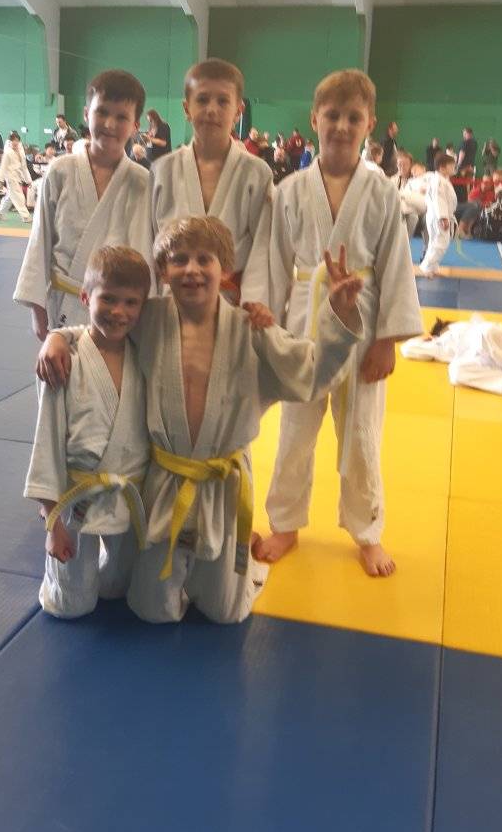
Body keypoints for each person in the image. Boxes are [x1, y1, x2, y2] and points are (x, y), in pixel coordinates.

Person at [38, 217, 364, 624]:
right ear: (163, 272)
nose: (191, 269)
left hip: (221, 486)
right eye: (179, 260)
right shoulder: (149, 318)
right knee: (151, 609)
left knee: (225, 611)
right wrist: (57, 338)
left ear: (225, 269)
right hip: (164, 483)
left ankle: (220, 573)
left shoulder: (250, 329)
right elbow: (100, 330)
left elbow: (312, 372)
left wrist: (339, 316)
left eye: (204, 259)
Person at [254, 69, 422, 577]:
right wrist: (269, 329)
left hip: (363, 327)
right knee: (293, 433)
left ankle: (367, 530)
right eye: (333, 115)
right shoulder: (288, 190)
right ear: (314, 119)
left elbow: (396, 267)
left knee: (363, 435)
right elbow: (273, 263)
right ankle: (285, 524)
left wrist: (388, 341)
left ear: (370, 124)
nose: (342, 126)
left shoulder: (382, 193)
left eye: (354, 117)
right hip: (303, 326)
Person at [26, 246, 152, 618]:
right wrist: (52, 522)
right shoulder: (64, 363)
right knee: (71, 606)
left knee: (117, 590)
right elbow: (46, 443)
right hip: (75, 498)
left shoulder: (145, 355)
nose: (119, 311)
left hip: (128, 495)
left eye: (131, 302)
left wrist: (58, 333)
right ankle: (60, 580)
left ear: (143, 308)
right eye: (107, 299)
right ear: (85, 298)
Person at [13, 69, 152, 340]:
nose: (109, 124)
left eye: (121, 117)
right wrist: (37, 309)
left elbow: (145, 255)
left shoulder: (143, 182)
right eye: (102, 112)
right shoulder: (60, 171)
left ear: (136, 126)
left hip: (119, 315)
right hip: (63, 307)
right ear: (87, 114)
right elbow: (40, 241)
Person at [150, 58, 273, 305]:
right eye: (202, 99)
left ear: (238, 111)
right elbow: (148, 243)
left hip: (233, 303)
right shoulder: (162, 170)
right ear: (187, 108)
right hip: (172, 303)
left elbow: (263, 248)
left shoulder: (257, 173)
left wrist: (253, 303)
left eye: (223, 101)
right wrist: (151, 304)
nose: (212, 110)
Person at [401, 316, 502, 398]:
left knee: (485, 335)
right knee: (457, 370)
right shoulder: (444, 340)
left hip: (490, 340)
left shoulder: (449, 335)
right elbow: (407, 349)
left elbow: (407, 348)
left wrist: (425, 339)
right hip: (493, 351)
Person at [419, 152, 457, 277]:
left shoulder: (440, 180)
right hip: (438, 217)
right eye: (451, 166)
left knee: (434, 242)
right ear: (442, 168)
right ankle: (426, 266)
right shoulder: (439, 181)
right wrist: (443, 218)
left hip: (435, 216)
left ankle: (432, 268)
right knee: (441, 243)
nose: (454, 168)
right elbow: (438, 200)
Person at [0, 131, 32, 221]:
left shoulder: (21, 153)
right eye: (13, 140)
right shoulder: (7, 153)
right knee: (19, 197)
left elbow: (24, 167)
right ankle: (25, 216)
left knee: (10, 197)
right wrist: (0, 180)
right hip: (10, 177)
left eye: (17, 140)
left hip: (18, 177)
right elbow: (3, 167)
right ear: (10, 142)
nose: (15, 142)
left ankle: (0, 213)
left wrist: (28, 180)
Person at [456, 173, 495, 238]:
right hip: (464, 207)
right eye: (484, 182)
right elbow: (470, 202)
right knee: (475, 206)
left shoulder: (491, 193)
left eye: (488, 183)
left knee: (477, 207)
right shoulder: (476, 190)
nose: (485, 184)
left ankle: (468, 230)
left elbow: (489, 204)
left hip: (482, 210)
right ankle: (461, 229)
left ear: (491, 184)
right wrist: (482, 204)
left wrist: (483, 204)